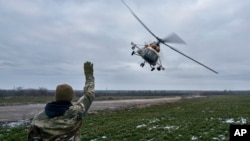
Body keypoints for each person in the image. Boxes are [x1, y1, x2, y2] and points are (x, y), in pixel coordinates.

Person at [28, 61, 95, 141]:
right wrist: (89, 75)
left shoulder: (38, 119)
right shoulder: (77, 112)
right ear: (71, 97)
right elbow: (89, 95)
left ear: (56, 97)